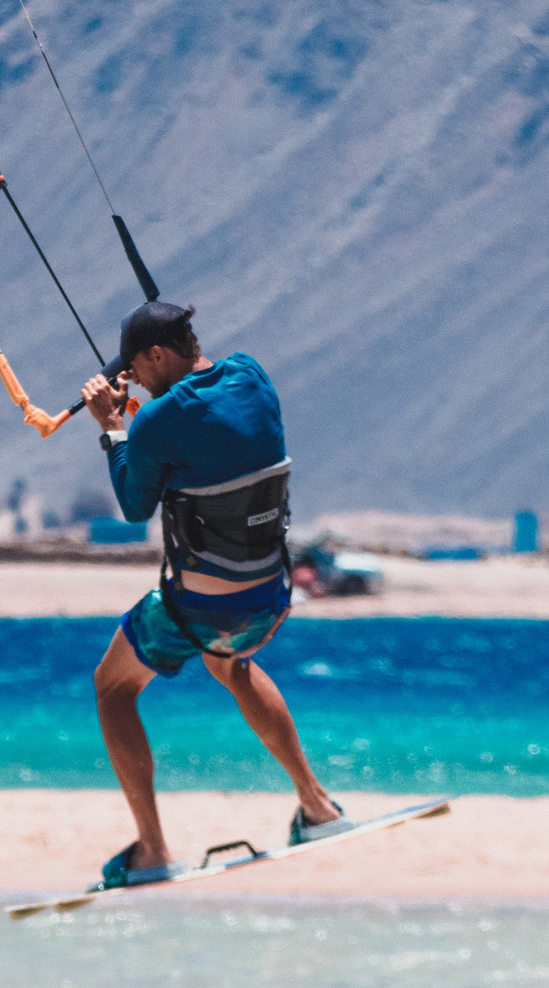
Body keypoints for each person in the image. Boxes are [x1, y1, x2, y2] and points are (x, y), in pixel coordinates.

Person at [78, 301, 351, 889]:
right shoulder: (253, 374)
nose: (135, 382)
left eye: (139, 368)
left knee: (112, 687)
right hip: (268, 599)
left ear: (158, 354)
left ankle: (151, 849)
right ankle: (317, 805)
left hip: (199, 607)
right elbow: (203, 407)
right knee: (230, 664)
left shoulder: (154, 424)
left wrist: (115, 431)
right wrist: (150, 399)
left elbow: (133, 508)